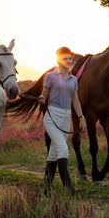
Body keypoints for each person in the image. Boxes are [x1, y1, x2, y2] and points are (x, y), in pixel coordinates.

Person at [38, 47, 86, 195]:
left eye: (70, 58)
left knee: (53, 153)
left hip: (66, 117)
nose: (69, 61)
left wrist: (81, 117)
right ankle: (69, 188)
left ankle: (46, 189)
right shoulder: (50, 76)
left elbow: (75, 99)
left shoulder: (74, 79)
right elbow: (44, 95)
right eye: (65, 58)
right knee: (63, 148)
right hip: (52, 116)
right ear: (59, 59)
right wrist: (42, 98)